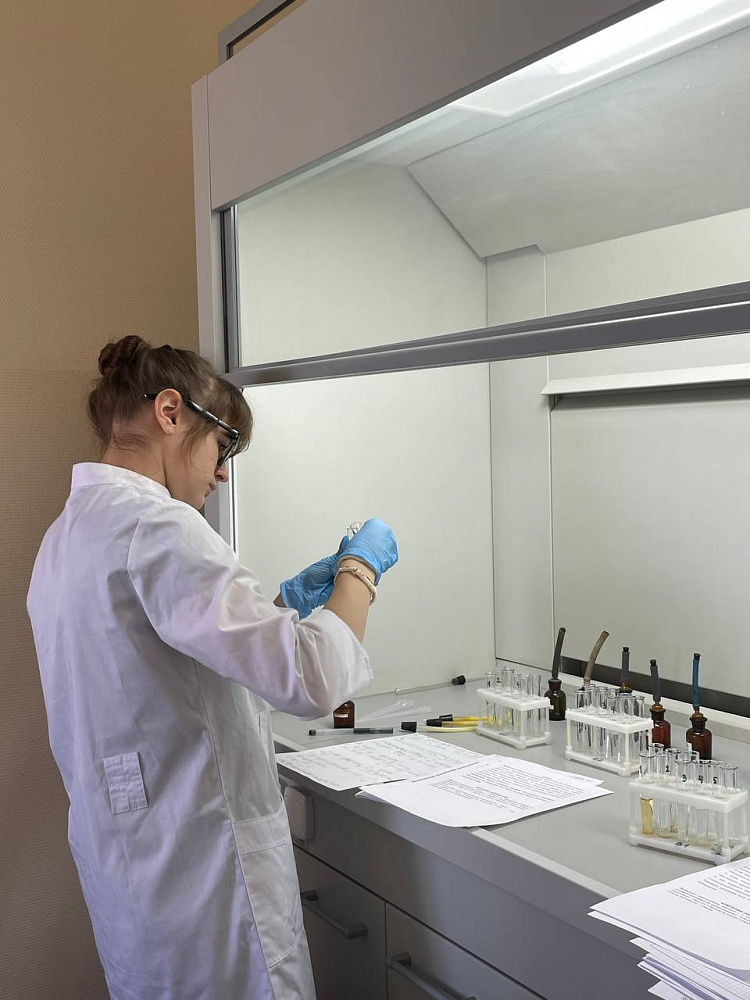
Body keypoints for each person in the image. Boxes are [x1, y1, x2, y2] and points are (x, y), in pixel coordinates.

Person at [27, 335, 398, 1000]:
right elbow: (312, 678)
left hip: (139, 876)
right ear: (170, 411)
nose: (222, 474)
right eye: (222, 446)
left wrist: (281, 606)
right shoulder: (157, 526)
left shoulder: (68, 535)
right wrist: (359, 569)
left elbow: (160, 669)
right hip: (206, 885)